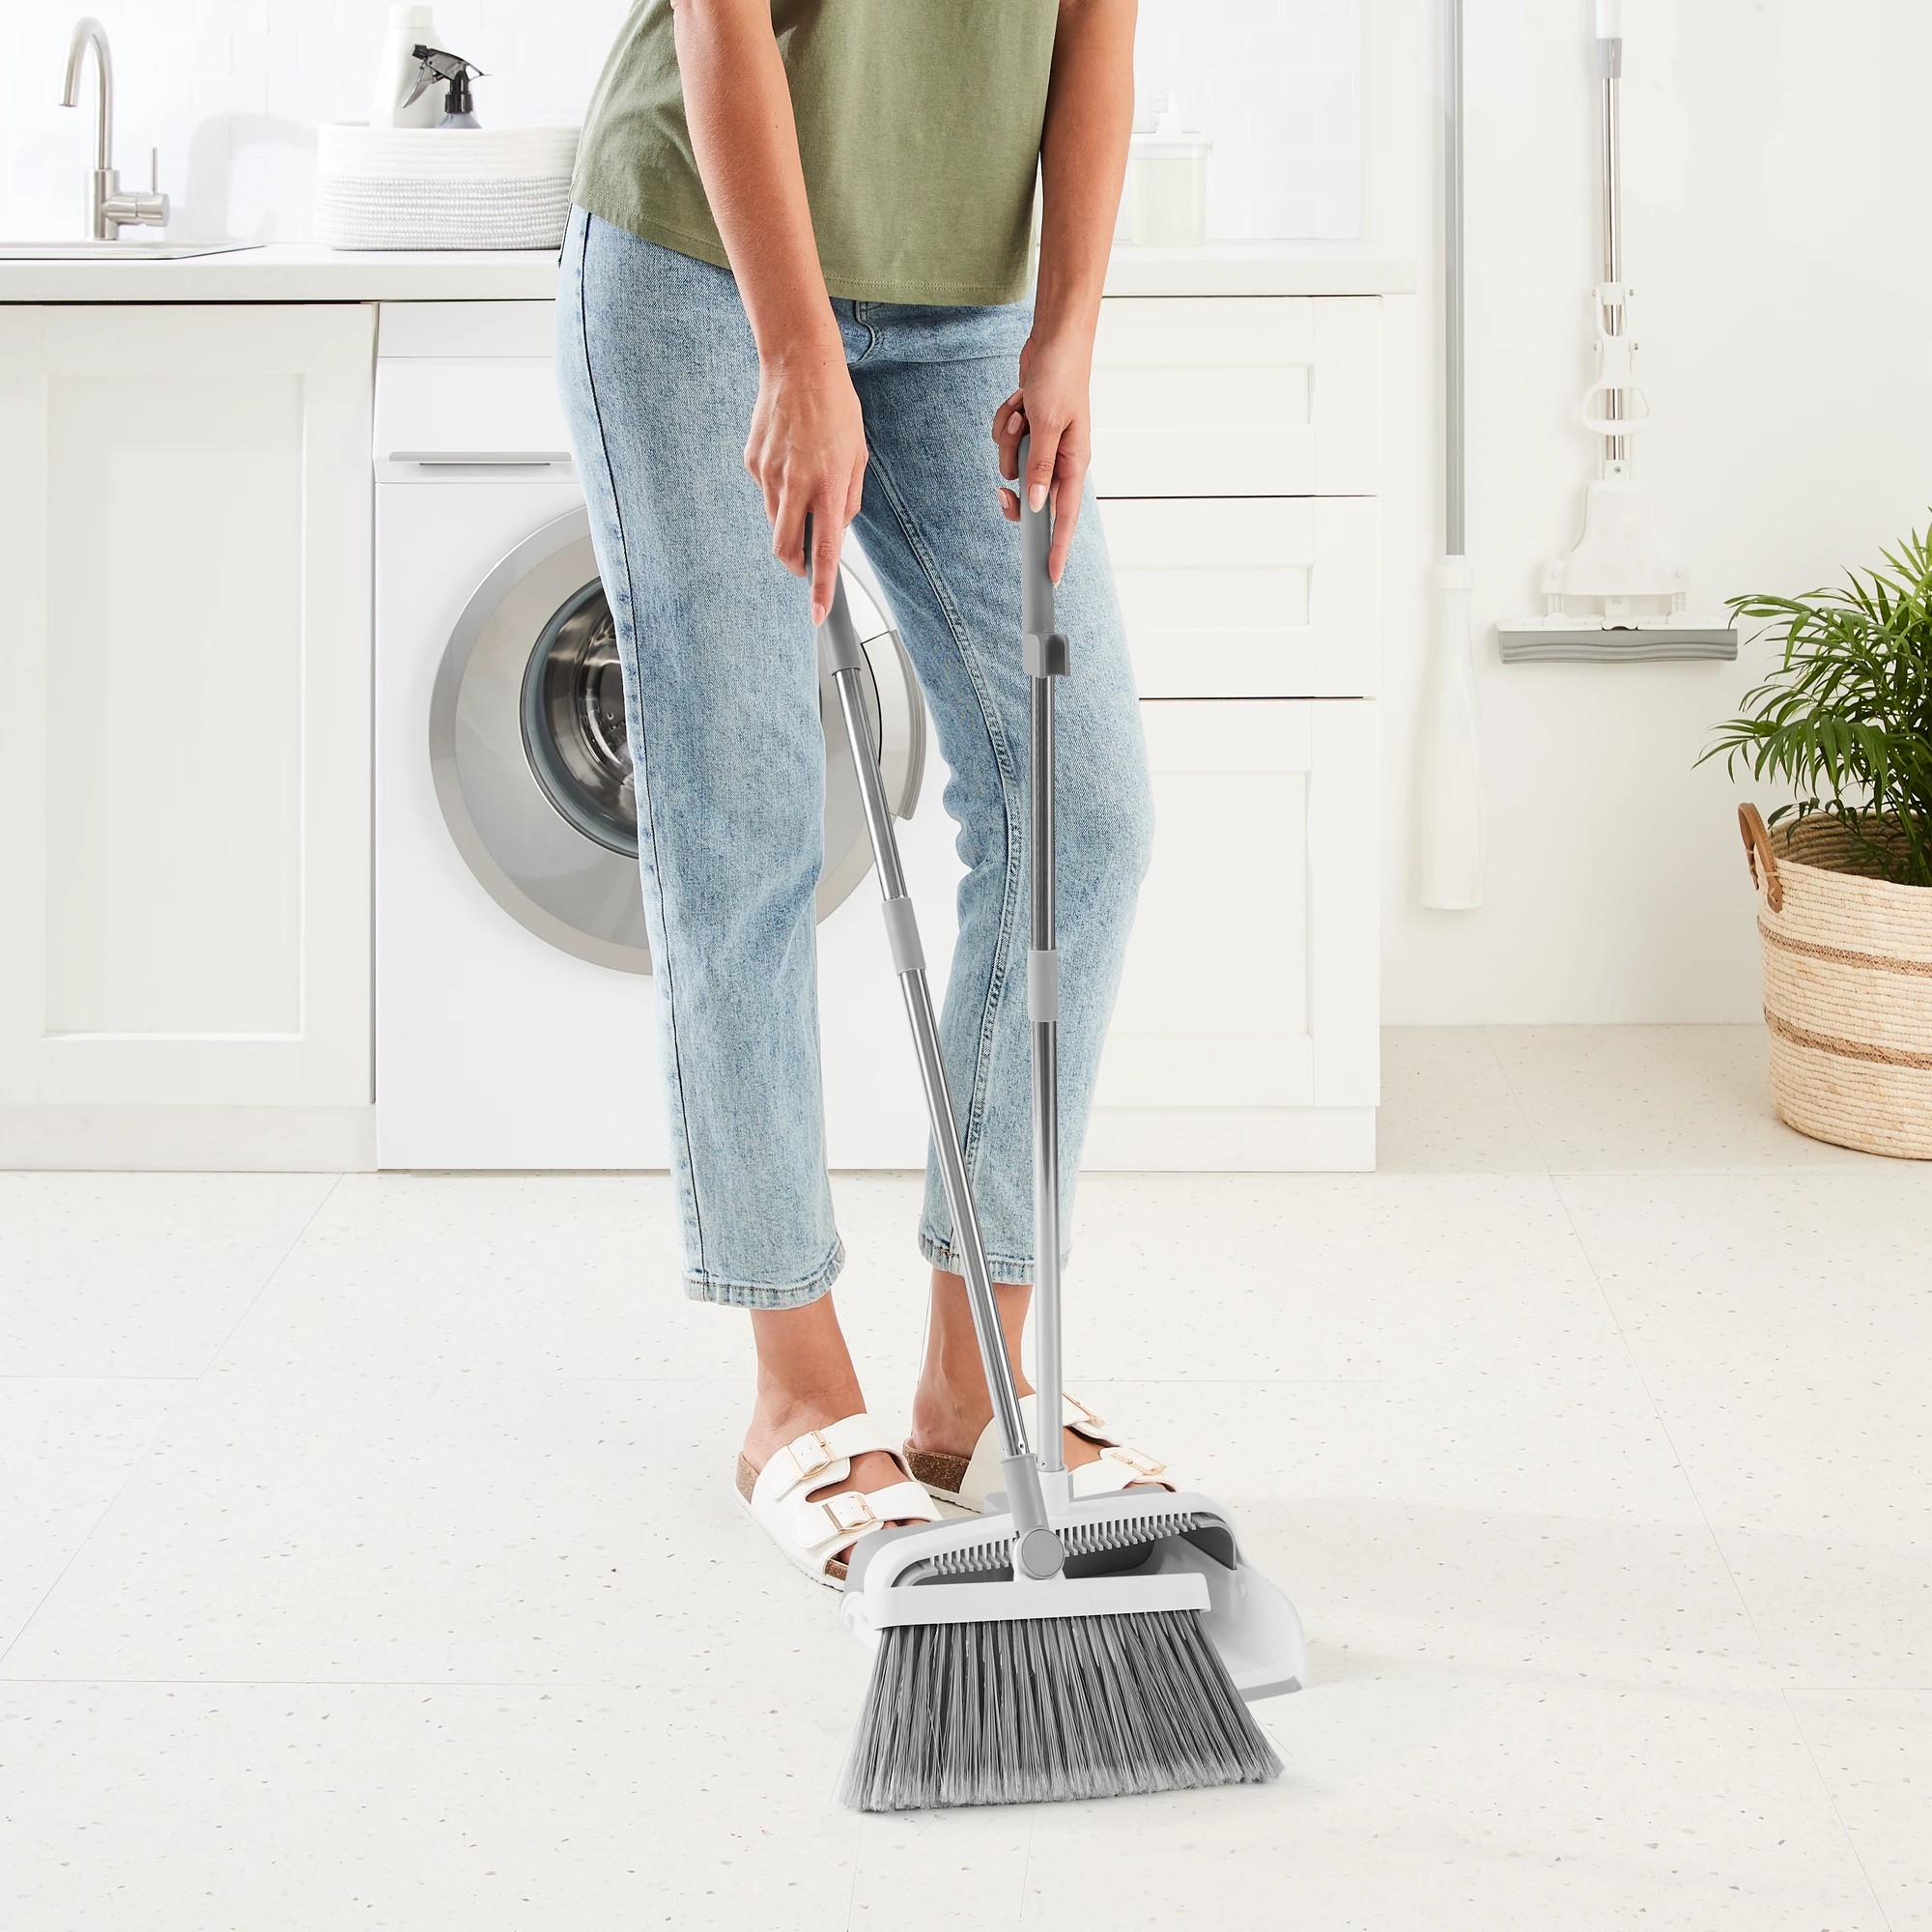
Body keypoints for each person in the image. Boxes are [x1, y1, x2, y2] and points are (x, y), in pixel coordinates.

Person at [557, 0, 1167, 1585]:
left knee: (1079, 812)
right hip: (710, 271)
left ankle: (980, 1376)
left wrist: (1070, 326)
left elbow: (1097, 26)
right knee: (746, 825)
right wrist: (796, 347)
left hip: (967, 303)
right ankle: (795, 1394)